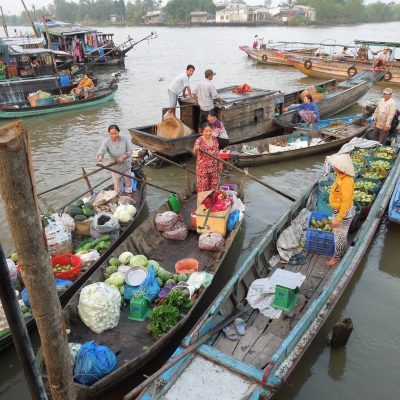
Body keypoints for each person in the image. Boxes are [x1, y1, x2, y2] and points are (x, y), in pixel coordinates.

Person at [326, 153, 357, 266]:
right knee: (340, 234)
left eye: (335, 165)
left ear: (341, 167)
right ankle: (341, 250)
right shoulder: (340, 175)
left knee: (339, 236)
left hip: (344, 213)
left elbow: (346, 203)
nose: (333, 166)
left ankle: (336, 257)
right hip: (338, 211)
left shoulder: (347, 181)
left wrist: (338, 219)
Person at [97, 124, 134, 197]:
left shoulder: (124, 139)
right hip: (115, 167)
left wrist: (123, 157)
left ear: (118, 132)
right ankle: (120, 198)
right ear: (109, 133)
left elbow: (130, 151)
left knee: (128, 184)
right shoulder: (106, 142)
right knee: (117, 188)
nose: (113, 135)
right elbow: (102, 150)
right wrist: (100, 157)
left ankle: (129, 196)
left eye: (115, 133)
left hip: (126, 165)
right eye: (111, 134)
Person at [193, 124, 222, 193]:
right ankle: (202, 202)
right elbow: (194, 152)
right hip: (203, 169)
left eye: (210, 131)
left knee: (213, 185)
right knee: (203, 187)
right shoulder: (199, 140)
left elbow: (217, 152)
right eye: (206, 131)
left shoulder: (214, 139)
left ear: (212, 130)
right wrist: (196, 149)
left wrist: (219, 163)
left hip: (213, 167)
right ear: (202, 131)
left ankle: (212, 201)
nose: (208, 133)